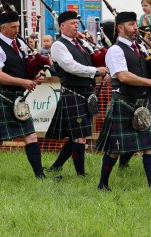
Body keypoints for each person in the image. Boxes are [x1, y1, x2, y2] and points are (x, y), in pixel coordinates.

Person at [97, 11, 151, 190]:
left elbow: (146, 71)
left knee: (150, 146)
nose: (135, 27)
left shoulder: (139, 48)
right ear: (120, 28)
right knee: (115, 149)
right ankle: (103, 184)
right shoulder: (115, 50)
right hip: (123, 102)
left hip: (142, 103)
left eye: (135, 24)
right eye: (130, 24)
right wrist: (149, 82)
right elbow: (123, 76)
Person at [0, 11, 47, 186]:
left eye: (18, 26)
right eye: (14, 27)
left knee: (31, 136)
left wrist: (34, 76)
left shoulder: (20, 43)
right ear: (3, 28)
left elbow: (24, 67)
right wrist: (23, 82)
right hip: (2, 96)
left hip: (17, 97)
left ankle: (41, 177)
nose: (17, 30)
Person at [44, 11, 109, 176]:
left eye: (76, 23)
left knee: (77, 136)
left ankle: (56, 166)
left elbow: (92, 60)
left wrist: (103, 71)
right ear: (62, 26)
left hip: (86, 94)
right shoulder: (58, 45)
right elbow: (71, 67)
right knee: (80, 137)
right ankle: (81, 174)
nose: (76, 26)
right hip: (73, 93)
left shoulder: (80, 43)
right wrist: (95, 71)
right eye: (72, 23)